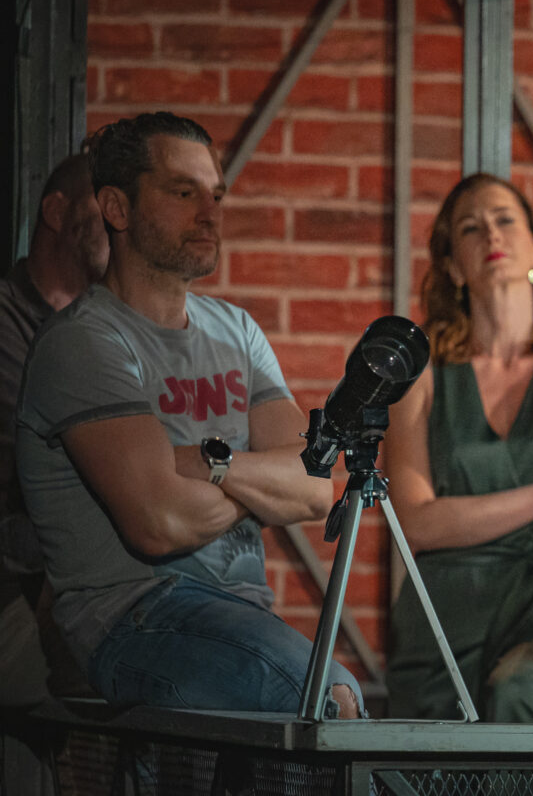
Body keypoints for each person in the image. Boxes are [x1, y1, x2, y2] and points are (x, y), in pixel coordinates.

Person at [15, 112, 362, 718]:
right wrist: (260, 485)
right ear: (117, 208)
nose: (209, 213)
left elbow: (314, 486)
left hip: (240, 612)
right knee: (330, 701)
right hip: (135, 616)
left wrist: (206, 464)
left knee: (328, 703)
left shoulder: (237, 331)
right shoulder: (84, 342)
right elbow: (158, 524)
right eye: (183, 193)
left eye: (215, 195)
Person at [384, 173, 533, 722]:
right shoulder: (420, 374)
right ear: (453, 267)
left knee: (521, 690)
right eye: (470, 228)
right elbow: (416, 522)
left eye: (505, 219)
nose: (491, 234)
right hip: (450, 606)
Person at [0, 155, 108, 707]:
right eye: (103, 202)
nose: (118, 217)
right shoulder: (7, 322)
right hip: (16, 586)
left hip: (77, 582)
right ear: (56, 212)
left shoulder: (104, 329)